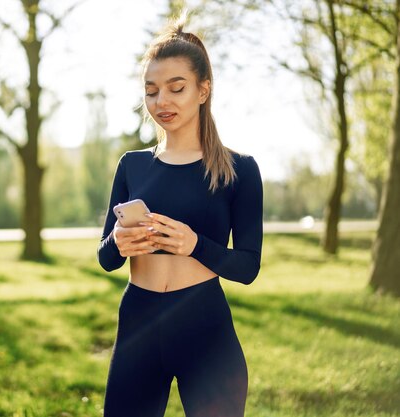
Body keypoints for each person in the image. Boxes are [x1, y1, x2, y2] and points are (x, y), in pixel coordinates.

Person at [96, 14, 263, 417]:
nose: (161, 102)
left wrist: (194, 245)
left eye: (176, 88)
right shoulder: (132, 165)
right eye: (151, 91)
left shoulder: (238, 169)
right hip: (139, 320)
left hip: (204, 323)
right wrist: (118, 242)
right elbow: (105, 258)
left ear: (203, 90)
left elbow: (247, 267)